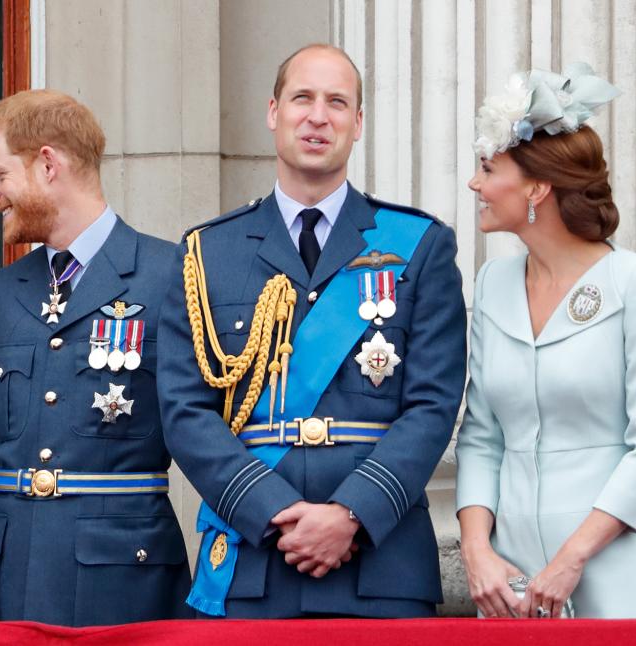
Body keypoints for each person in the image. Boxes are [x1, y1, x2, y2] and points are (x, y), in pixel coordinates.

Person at [157, 44, 467, 618]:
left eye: (337, 103)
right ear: (274, 112)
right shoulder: (207, 252)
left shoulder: (418, 244)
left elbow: (433, 405)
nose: (318, 116)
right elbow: (184, 410)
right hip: (255, 560)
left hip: (382, 562)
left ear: (358, 124)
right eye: (303, 98)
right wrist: (274, 512)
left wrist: (351, 514)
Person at [455, 64, 636, 618]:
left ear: (537, 186)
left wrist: (571, 559)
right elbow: (482, 436)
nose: (475, 184)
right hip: (510, 585)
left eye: (488, 168)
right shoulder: (492, 285)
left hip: (612, 572)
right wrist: (477, 548)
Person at [0, 89, 191, 626]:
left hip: (123, 578)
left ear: (48, 164)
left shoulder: (173, 275)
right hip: (11, 571)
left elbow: (211, 431)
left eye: (0, 175)